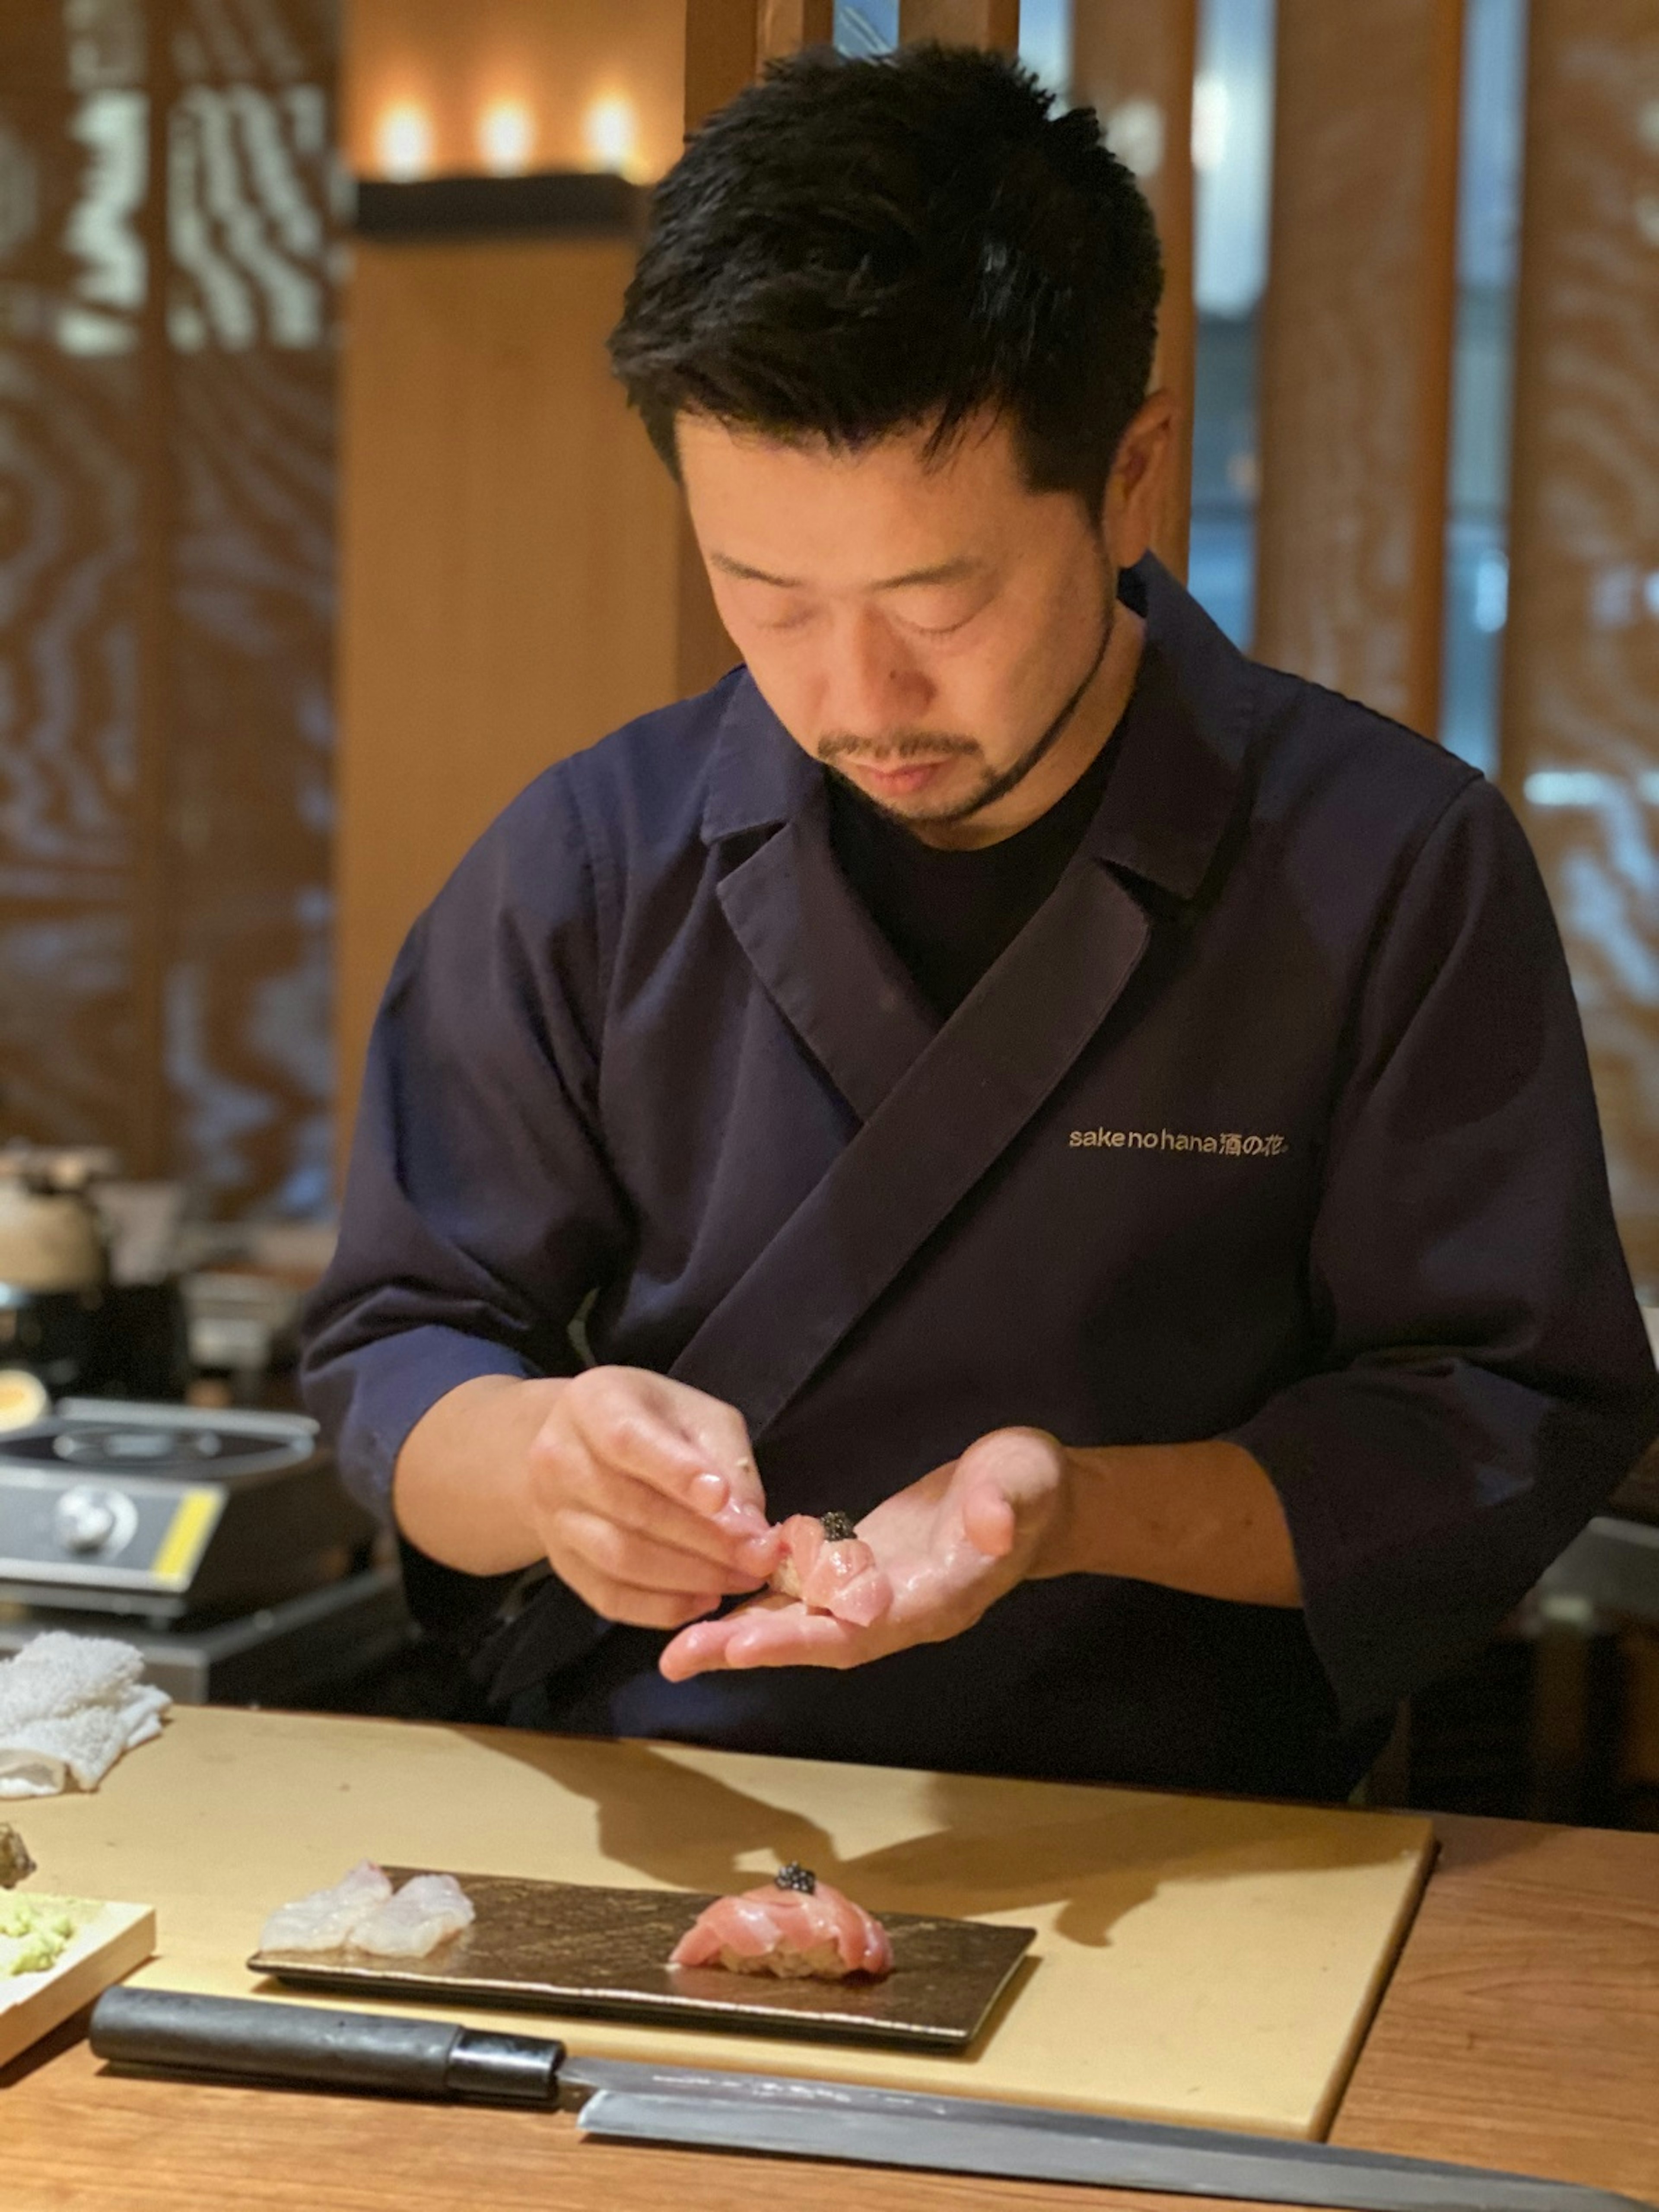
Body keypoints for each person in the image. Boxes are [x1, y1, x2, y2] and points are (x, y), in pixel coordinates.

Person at [300, 44, 1659, 1802]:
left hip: (1203, 1839)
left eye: (938, 599)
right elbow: (397, 1347)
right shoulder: (587, 858)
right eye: (765, 596)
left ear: (1133, 474)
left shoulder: (1390, 861)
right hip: (666, 1811)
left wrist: (1073, 1504)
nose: (854, 692)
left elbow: (1500, 1409)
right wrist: (548, 1458)